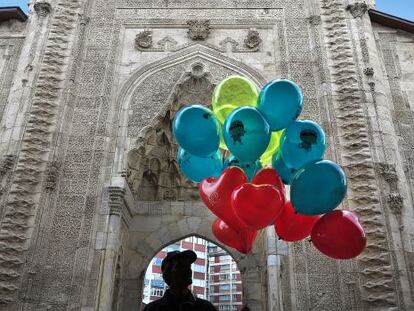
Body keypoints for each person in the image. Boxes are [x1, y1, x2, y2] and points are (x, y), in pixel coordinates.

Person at [144, 250, 217, 311]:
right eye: (180, 266)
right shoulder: (152, 309)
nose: (188, 270)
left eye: (188, 266)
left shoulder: (206, 308)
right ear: (168, 273)